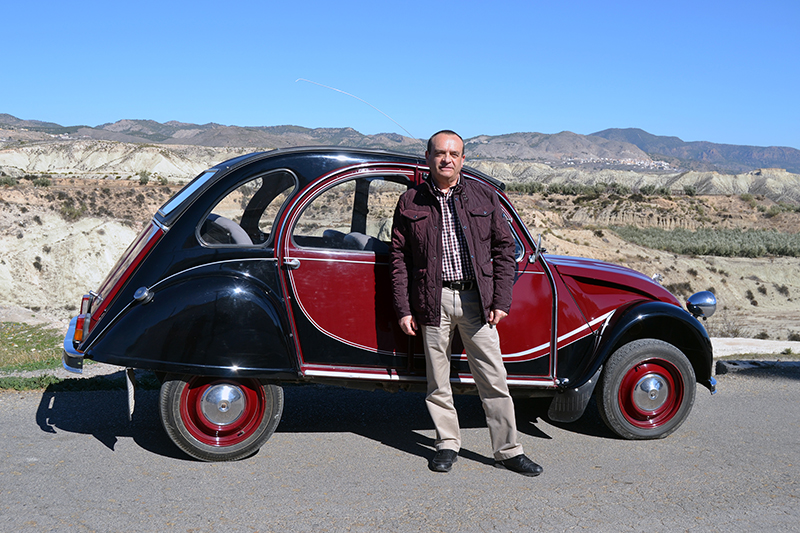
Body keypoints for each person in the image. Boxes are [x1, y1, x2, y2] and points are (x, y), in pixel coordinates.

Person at [390, 130, 543, 476]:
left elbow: (505, 250)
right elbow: (398, 258)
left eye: (454, 153)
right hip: (432, 298)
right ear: (428, 157)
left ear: (463, 159)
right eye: (440, 153)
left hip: (478, 299)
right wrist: (403, 307)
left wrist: (501, 299)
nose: (447, 159)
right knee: (437, 380)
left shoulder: (483, 195)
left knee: (494, 378)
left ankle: (508, 450)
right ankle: (446, 444)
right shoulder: (410, 200)